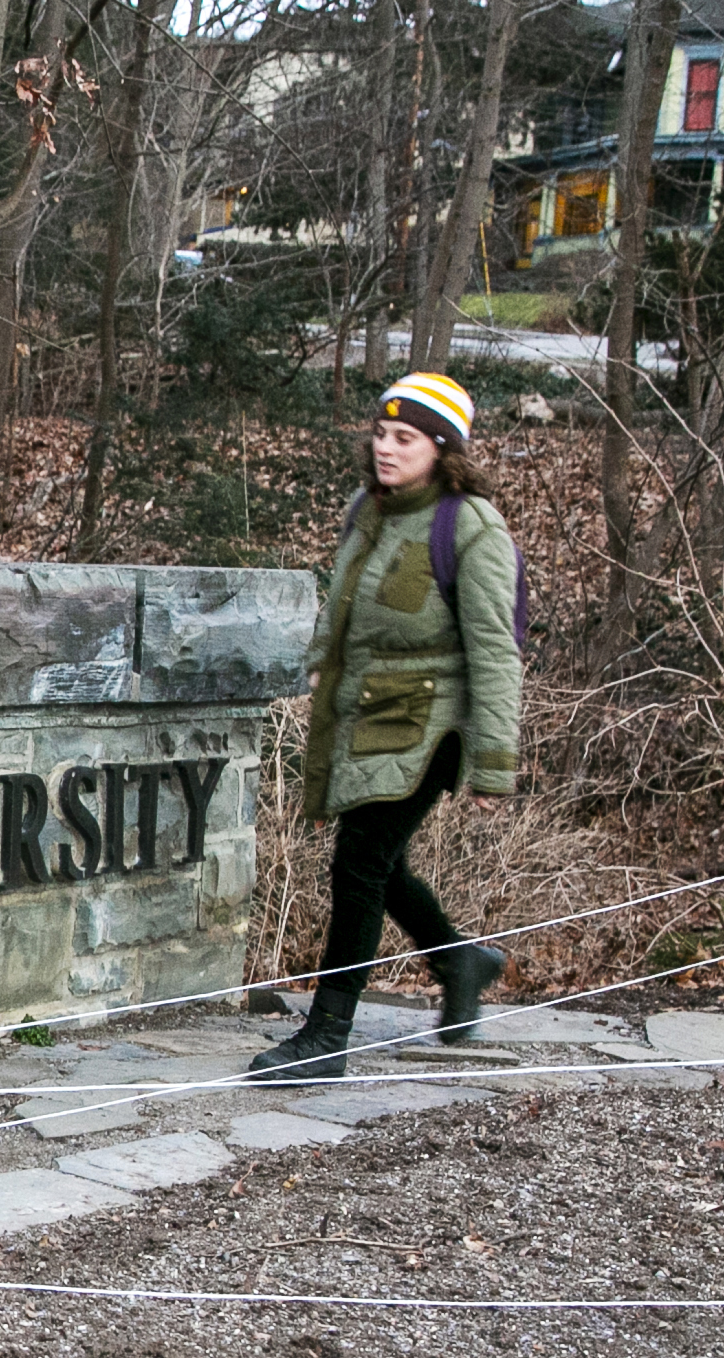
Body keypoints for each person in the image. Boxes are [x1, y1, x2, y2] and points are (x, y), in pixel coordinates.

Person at [250, 371, 522, 1082]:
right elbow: (341, 604)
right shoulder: (366, 510)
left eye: (405, 438)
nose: (386, 449)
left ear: (443, 448)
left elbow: (497, 650)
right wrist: (319, 664)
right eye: (380, 434)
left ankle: (327, 1033)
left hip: (429, 724)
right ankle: (460, 959)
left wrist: (494, 762)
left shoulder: (470, 526)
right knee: (377, 861)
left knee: (359, 864)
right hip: (365, 713)